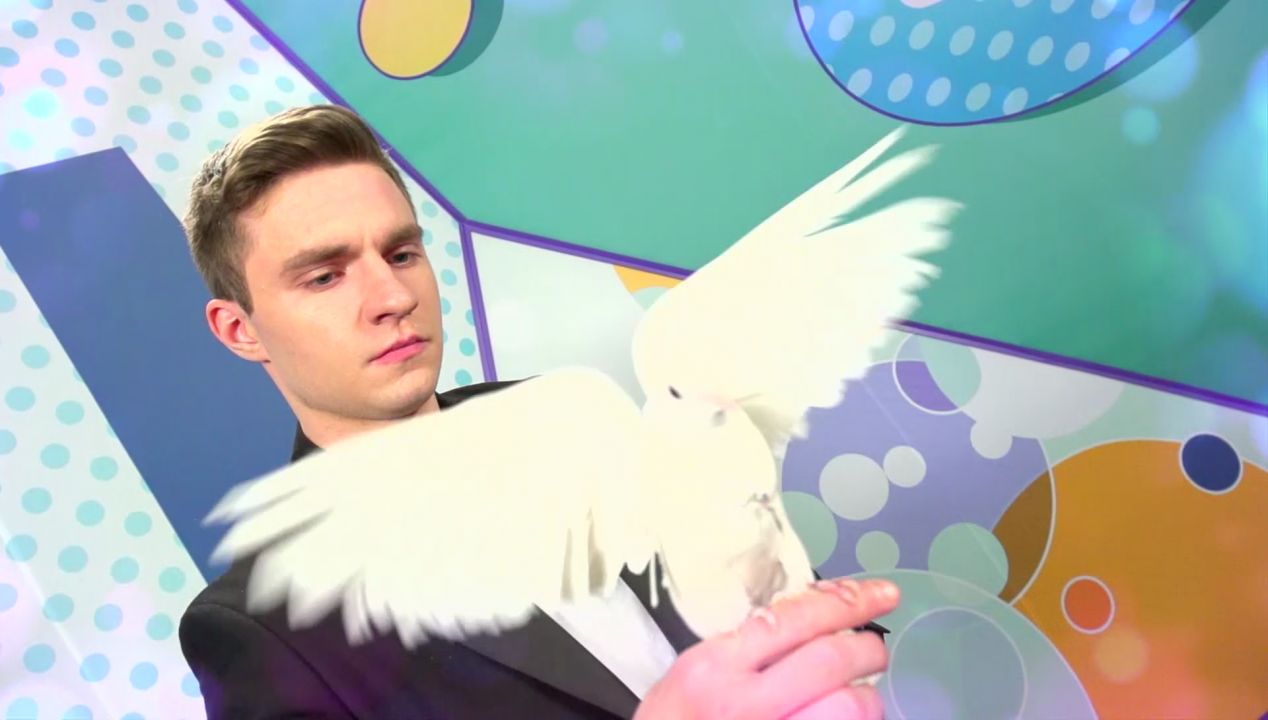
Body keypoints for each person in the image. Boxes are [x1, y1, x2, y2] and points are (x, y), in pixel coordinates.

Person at [177, 104, 899, 719]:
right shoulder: (257, 629)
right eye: (324, 276)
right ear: (239, 329)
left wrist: (830, 647)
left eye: (400, 254)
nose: (393, 298)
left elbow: (767, 592)